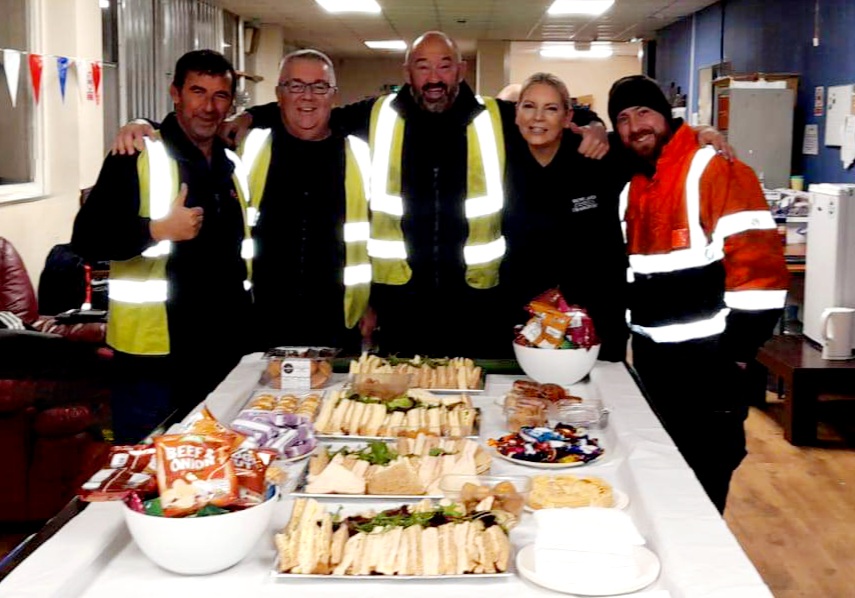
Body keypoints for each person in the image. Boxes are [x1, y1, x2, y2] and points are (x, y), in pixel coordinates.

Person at [608, 74, 789, 512]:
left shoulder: (714, 169)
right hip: (654, 365)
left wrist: (737, 355)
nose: (636, 126)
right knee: (663, 481)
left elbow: (760, 276)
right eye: (624, 119)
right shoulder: (633, 188)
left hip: (711, 368)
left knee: (706, 484)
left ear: (667, 116)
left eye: (645, 112)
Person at [72, 50, 252, 443]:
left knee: (212, 469)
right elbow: (86, 239)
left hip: (222, 349)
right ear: (175, 93)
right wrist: (155, 229)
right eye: (197, 92)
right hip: (154, 356)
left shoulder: (231, 165)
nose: (208, 107)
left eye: (220, 95)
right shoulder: (137, 152)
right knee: (145, 470)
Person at [238, 49, 373, 353]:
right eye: (296, 86)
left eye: (319, 86)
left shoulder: (360, 155)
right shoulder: (248, 148)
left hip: (339, 325)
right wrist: (141, 125)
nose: (307, 97)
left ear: (334, 95)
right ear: (279, 94)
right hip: (260, 322)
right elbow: (195, 127)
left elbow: (379, 236)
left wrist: (372, 302)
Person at [502, 73, 628, 361]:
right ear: (516, 113)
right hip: (523, 320)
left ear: (567, 115)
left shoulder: (596, 153)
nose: (538, 118)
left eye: (551, 109)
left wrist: (702, 134)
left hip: (594, 319)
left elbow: (657, 146)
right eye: (529, 106)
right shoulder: (501, 160)